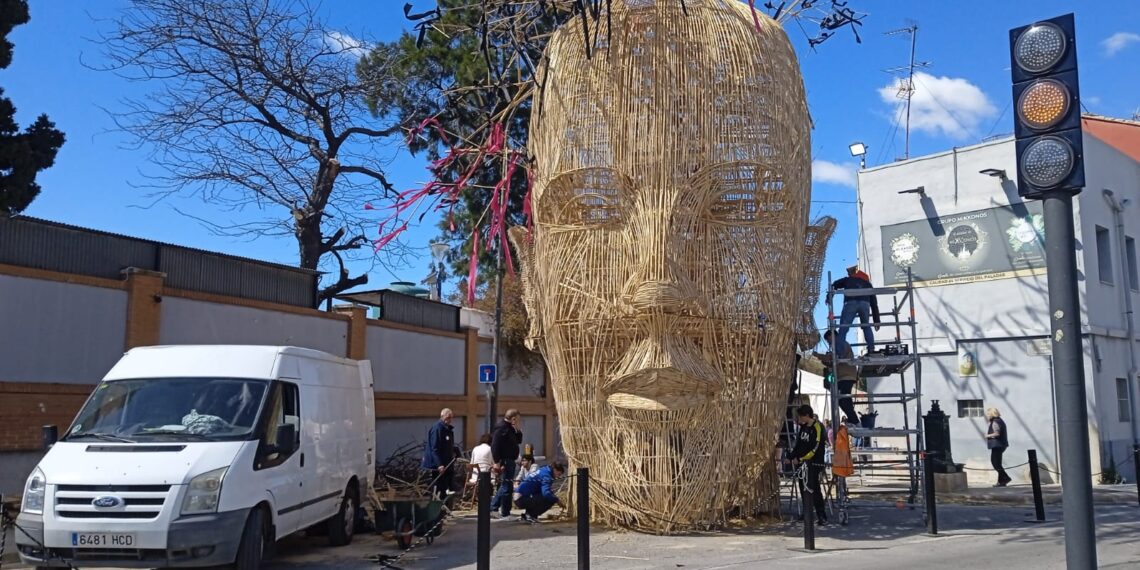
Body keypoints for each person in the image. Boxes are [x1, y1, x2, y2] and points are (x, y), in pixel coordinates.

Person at [826, 265, 881, 353]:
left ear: (851, 273)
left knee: (843, 328)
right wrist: (876, 320)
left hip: (850, 303)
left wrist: (829, 297)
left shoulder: (848, 279)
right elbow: (874, 304)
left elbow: (834, 285)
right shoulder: (868, 283)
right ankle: (871, 349)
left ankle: (839, 353)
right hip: (865, 304)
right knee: (866, 326)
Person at [789, 404, 828, 525]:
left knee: (814, 489)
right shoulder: (803, 427)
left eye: (801, 416)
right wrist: (791, 456)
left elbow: (814, 448)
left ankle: (822, 515)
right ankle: (807, 512)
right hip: (802, 464)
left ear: (806, 415)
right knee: (803, 487)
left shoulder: (818, 427)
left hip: (814, 463)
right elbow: (799, 444)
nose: (799, 419)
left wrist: (801, 459)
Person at [814, 329, 860, 426]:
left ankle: (854, 421)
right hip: (842, 376)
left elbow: (833, 357)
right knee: (841, 399)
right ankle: (853, 420)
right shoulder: (838, 346)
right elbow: (834, 361)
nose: (828, 342)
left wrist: (819, 355)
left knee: (843, 398)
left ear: (833, 336)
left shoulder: (841, 344)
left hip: (846, 376)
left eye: (828, 339)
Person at [490, 409, 523, 519]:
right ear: (513, 418)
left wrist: (518, 430)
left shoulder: (511, 428)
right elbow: (495, 446)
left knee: (506, 486)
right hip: (505, 460)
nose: (519, 421)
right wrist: (496, 462)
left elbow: (518, 441)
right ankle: (502, 511)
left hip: (511, 460)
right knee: (506, 487)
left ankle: (497, 508)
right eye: (517, 419)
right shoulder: (501, 428)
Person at [421, 408, 457, 500]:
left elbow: (449, 445)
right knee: (438, 487)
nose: (450, 420)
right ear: (442, 416)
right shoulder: (437, 428)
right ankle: (438, 506)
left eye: (451, 418)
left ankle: (444, 507)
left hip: (447, 464)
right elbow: (434, 448)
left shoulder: (447, 429)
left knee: (446, 486)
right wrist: (439, 464)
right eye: (448, 417)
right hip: (438, 465)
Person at [985, 407, 1011, 487]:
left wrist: (987, 435)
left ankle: (1005, 478)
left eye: (988, 414)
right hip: (1000, 445)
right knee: (998, 464)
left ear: (992, 414)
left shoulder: (995, 422)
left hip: (997, 445)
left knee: (995, 463)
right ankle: (1001, 481)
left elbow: (997, 433)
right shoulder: (1000, 420)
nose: (987, 415)